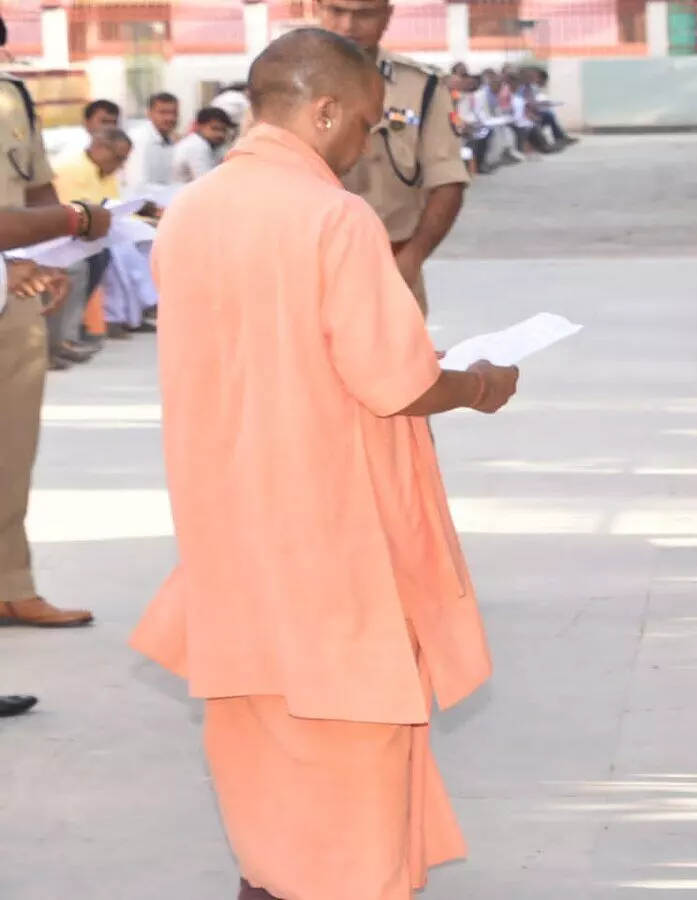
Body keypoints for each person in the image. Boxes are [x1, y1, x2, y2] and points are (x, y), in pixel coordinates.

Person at [129, 29, 517, 900]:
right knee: (354, 765)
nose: (363, 145)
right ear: (325, 110)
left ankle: (266, 880)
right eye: (367, 124)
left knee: (259, 749)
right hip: (333, 533)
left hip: (228, 529)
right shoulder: (333, 218)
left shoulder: (191, 210)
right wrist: (480, 384)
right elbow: (396, 382)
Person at [0, 21, 113, 633]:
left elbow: (35, 186)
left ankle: (10, 584)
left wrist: (48, 252)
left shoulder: (11, 96)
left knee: (12, 446)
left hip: (12, 293)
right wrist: (75, 221)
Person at [317, 0, 469, 318]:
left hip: (391, 264)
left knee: (398, 366)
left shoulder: (422, 88)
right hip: (304, 267)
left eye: (364, 14)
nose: (348, 26)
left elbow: (448, 180)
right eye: (336, 11)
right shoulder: (279, 83)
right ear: (317, 8)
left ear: (387, 15)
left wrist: (414, 257)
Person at [49, 127, 131, 354]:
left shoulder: (103, 172)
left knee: (103, 256)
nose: (121, 164)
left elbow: (113, 205)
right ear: (100, 149)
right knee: (79, 267)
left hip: (83, 233)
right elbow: (72, 208)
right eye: (119, 157)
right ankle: (65, 337)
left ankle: (72, 330)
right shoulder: (71, 168)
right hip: (56, 233)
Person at [122, 92, 179, 194]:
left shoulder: (169, 140)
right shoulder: (139, 139)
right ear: (149, 113)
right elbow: (137, 184)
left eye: (174, 113)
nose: (170, 118)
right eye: (163, 112)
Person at [171, 107, 233, 184]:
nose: (220, 134)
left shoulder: (215, 145)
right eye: (215, 128)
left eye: (223, 130)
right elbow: (206, 183)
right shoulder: (196, 145)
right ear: (198, 126)